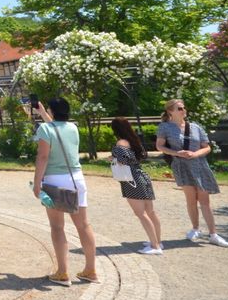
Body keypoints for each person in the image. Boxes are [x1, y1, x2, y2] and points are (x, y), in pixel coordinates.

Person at [31, 97, 97, 286]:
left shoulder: (45, 129)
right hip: (77, 178)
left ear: (52, 111)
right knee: (83, 225)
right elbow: (56, 129)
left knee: (57, 226)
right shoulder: (72, 127)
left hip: (54, 180)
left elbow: (43, 156)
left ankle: (62, 272)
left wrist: (37, 183)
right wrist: (43, 112)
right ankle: (91, 269)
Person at [156, 99, 228, 247]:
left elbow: (207, 147)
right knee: (191, 199)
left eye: (184, 108)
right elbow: (159, 146)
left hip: (199, 165)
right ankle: (195, 228)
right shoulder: (164, 127)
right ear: (170, 111)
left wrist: (195, 154)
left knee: (204, 201)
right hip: (181, 166)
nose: (184, 110)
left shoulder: (196, 127)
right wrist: (177, 153)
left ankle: (213, 234)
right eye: (180, 108)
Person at [110, 117, 162, 254]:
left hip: (131, 180)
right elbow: (139, 157)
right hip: (142, 176)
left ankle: (155, 246)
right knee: (150, 212)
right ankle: (157, 241)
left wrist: (114, 157)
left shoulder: (121, 142)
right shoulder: (134, 140)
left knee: (141, 213)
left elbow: (122, 161)